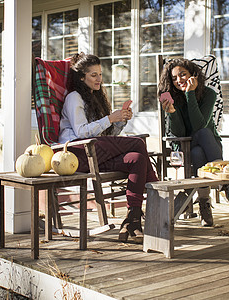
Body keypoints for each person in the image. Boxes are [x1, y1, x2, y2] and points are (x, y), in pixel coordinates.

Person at [58, 52, 158, 242]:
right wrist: (110, 118)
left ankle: (132, 220)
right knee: (137, 142)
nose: (99, 79)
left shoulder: (94, 99)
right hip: (76, 153)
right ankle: (158, 194)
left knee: (137, 158)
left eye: (100, 74)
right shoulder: (74, 98)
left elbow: (108, 138)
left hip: (96, 153)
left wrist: (120, 121)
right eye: (93, 75)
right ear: (81, 77)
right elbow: (81, 132)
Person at [158, 58, 229, 226]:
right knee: (197, 144)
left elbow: (200, 125)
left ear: (194, 75)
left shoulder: (209, 94)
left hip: (208, 144)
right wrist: (173, 112)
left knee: (200, 143)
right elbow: (180, 133)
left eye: (183, 75)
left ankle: (204, 203)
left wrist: (191, 93)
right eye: (174, 78)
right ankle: (227, 184)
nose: (179, 81)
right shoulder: (173, 98)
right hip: (185, 146)